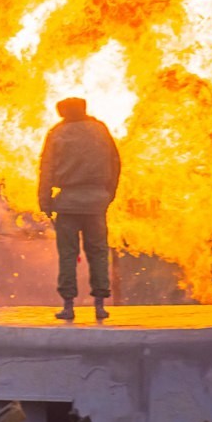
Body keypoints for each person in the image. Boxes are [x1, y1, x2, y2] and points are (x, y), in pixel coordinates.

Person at [38, 97, 120, 322]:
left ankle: (68, 305)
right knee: (98, 253)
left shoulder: (58, 133)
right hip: (96, 203)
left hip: (67, 204)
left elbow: (46, 168)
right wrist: (108, 194)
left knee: (68, 255)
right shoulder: (100, 130)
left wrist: (45, 201)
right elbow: (115, 163)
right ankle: (100, 305)